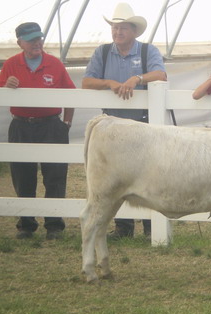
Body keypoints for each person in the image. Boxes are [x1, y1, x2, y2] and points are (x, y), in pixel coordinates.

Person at [82, 2, 167, 239]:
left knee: (147, 174)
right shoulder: (102, 51)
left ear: (133, 31)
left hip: (143, 124)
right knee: (115, 177)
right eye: (115, 28)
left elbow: (161, 75)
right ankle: (123, 227)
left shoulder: (147, 51)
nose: (117, 32)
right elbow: (87, 81)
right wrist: (109, 83)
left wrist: (137, 78)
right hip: (113, 128)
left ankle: (151, 226)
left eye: (122, 28)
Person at [0, 22, 75, 240]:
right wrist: (6, 87)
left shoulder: (54, 63)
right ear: (19, 42)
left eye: (39, 38)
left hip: (51, 125)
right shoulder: (10, 64)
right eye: (31, 39)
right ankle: (26, 224)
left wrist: (66, 124)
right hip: (21, 125)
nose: (37, 43)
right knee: (22, 175)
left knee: (55, 175)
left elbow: (71, 94)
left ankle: (54, 224)